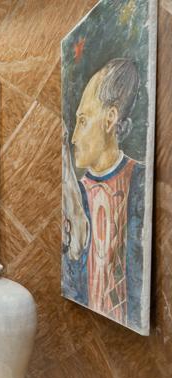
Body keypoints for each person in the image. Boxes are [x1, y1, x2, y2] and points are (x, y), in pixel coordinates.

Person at [62, 58, 145, 330]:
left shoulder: (141, 181)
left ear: (110, 119)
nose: (74, 137)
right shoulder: (74, 196)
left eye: (83, 121)